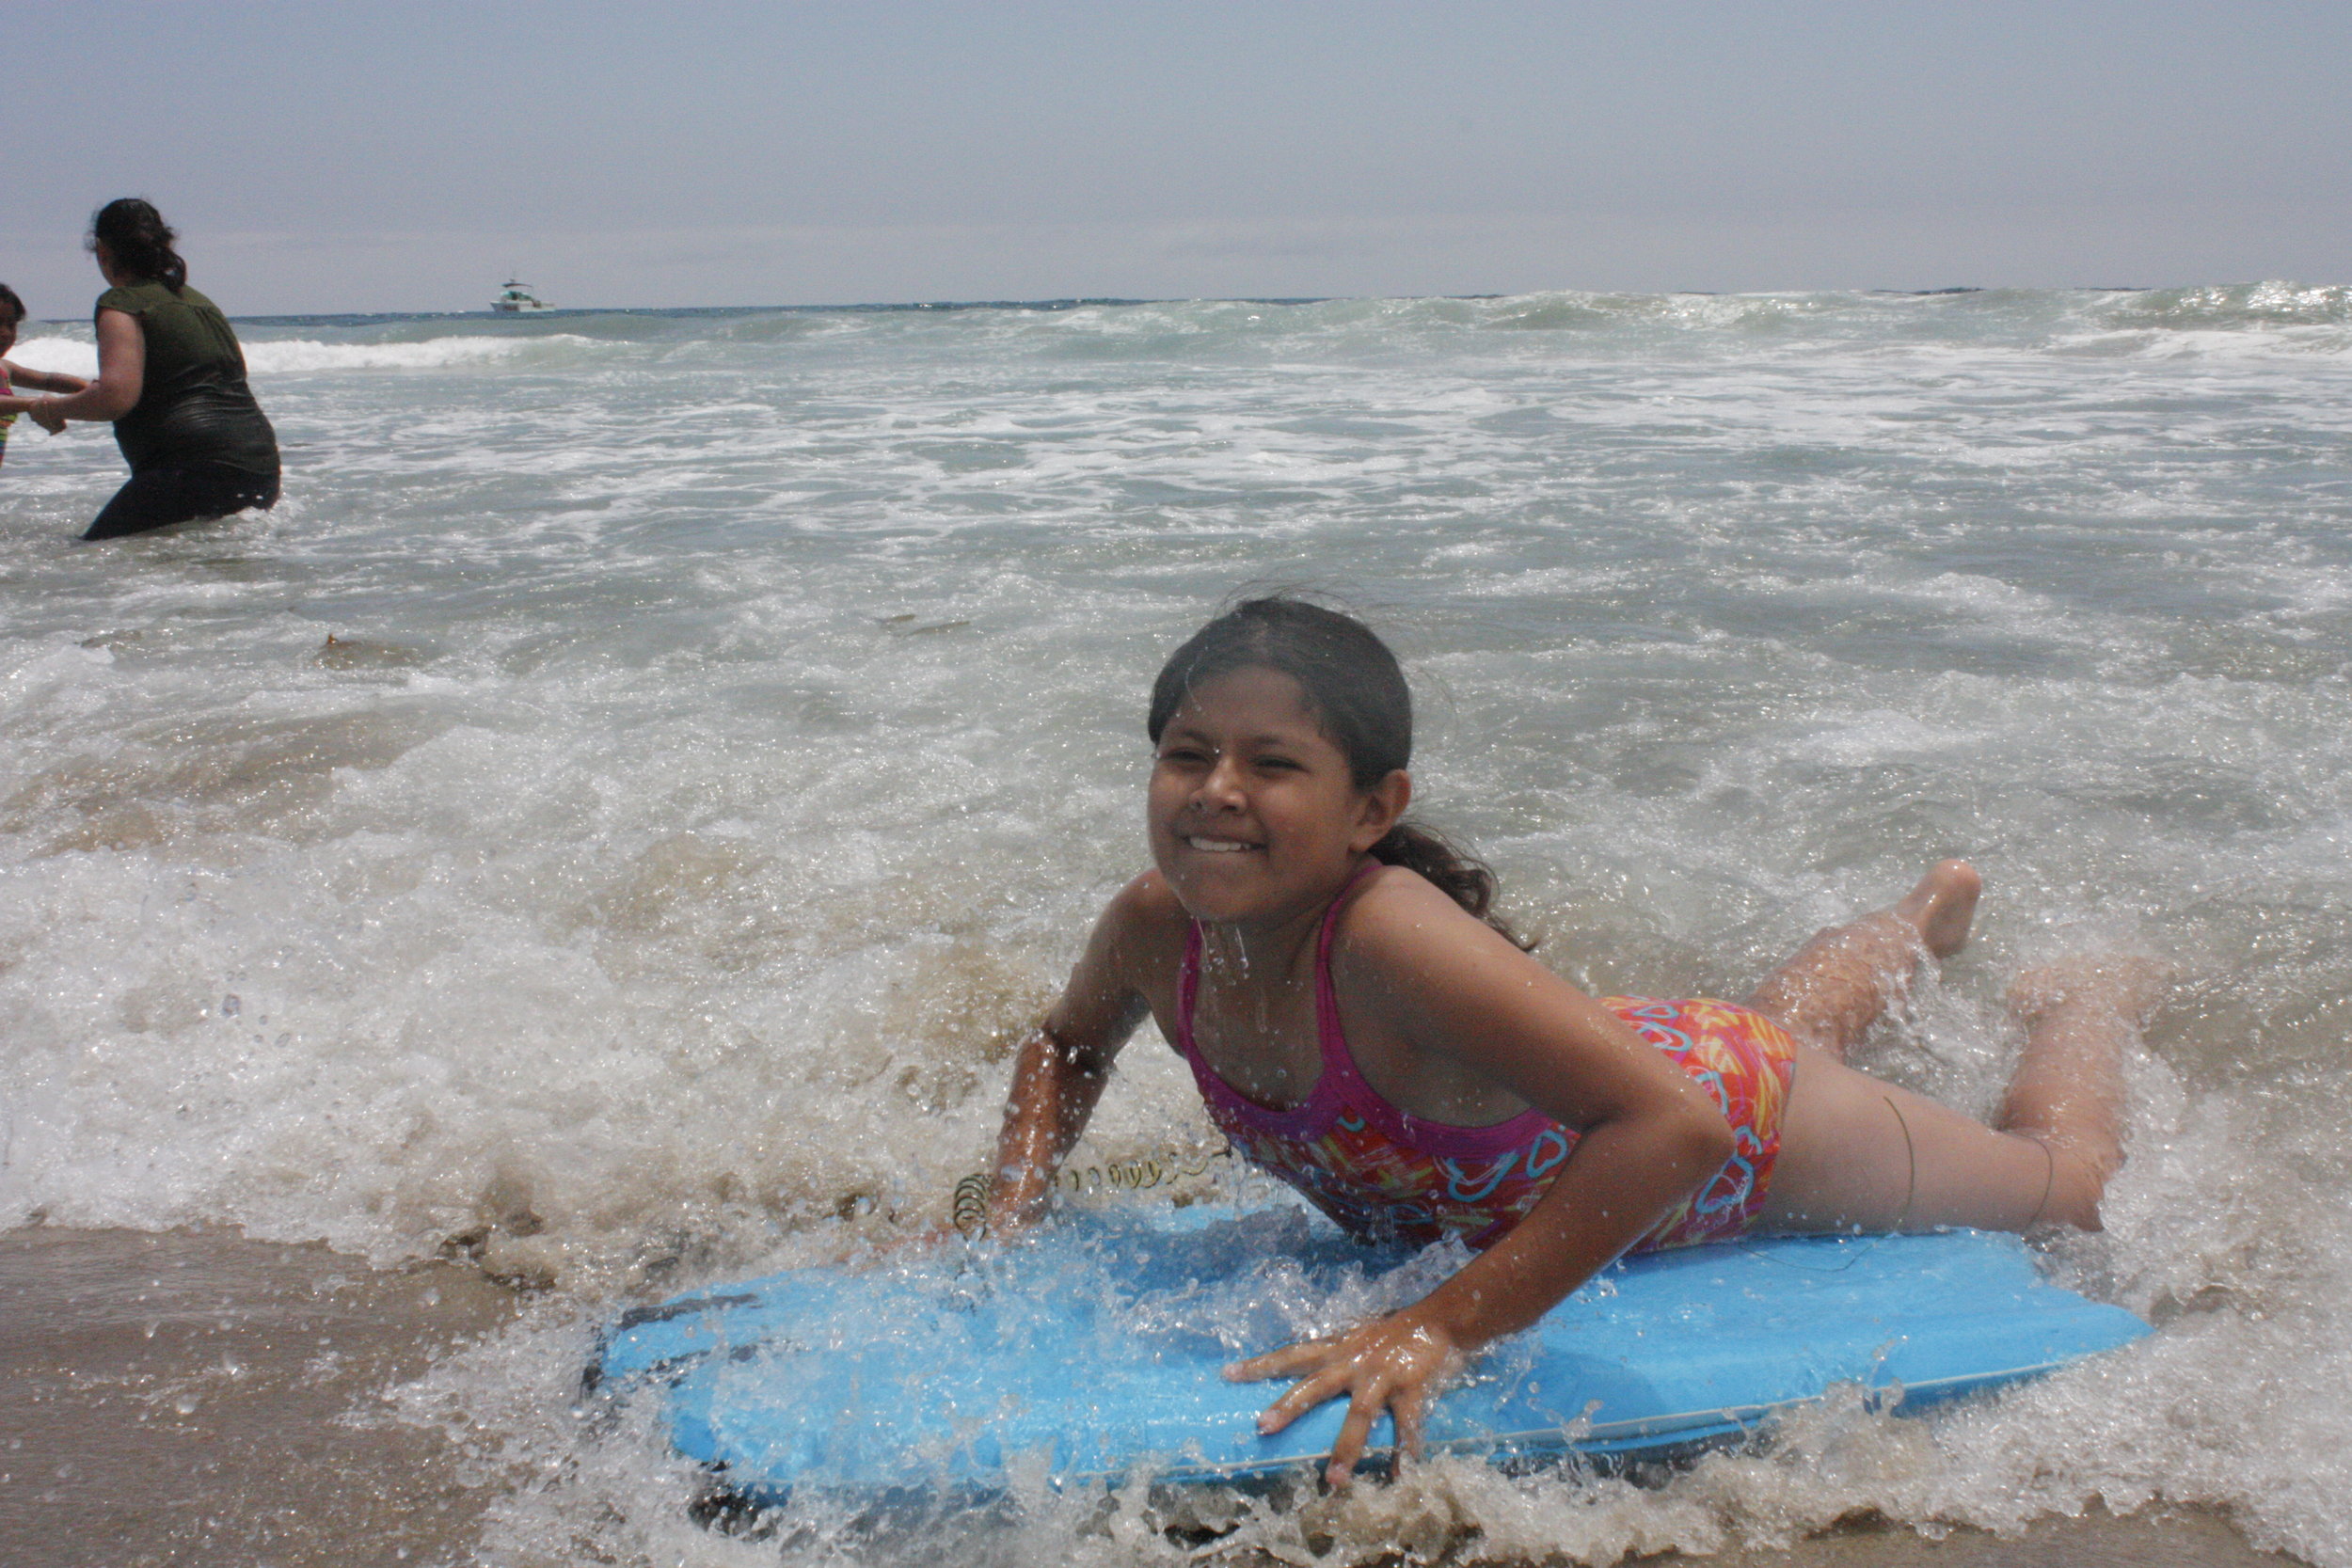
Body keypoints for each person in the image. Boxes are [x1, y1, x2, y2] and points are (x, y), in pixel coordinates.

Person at [982, 595, 2164, 1489]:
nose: (1217, 790)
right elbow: (1064, 1046)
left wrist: (1438, 1324)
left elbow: (1679, 1124)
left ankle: (2086, 1000)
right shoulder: (1155, 924)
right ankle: (1919, 917)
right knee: (1775, 1020)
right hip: (1627, 1059)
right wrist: (1010, 1213)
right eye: (1187, 754)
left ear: (1371, 810)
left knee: (2064, 1185)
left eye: (1273, 764)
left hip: (1746, 1128)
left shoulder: (1390, 935)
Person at [0, 199, 278, 539]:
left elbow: (116, 398)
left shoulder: (122, 303)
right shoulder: (199, 303)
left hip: (191, 469)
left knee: (92, 563)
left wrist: (45, 407)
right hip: (259, 466)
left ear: (102, 251)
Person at [0, 283, 91, 467]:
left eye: (11, 324)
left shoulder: (5, 368)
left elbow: (48, 380)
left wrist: (94, 389)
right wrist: (34, 404)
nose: (5, 333)